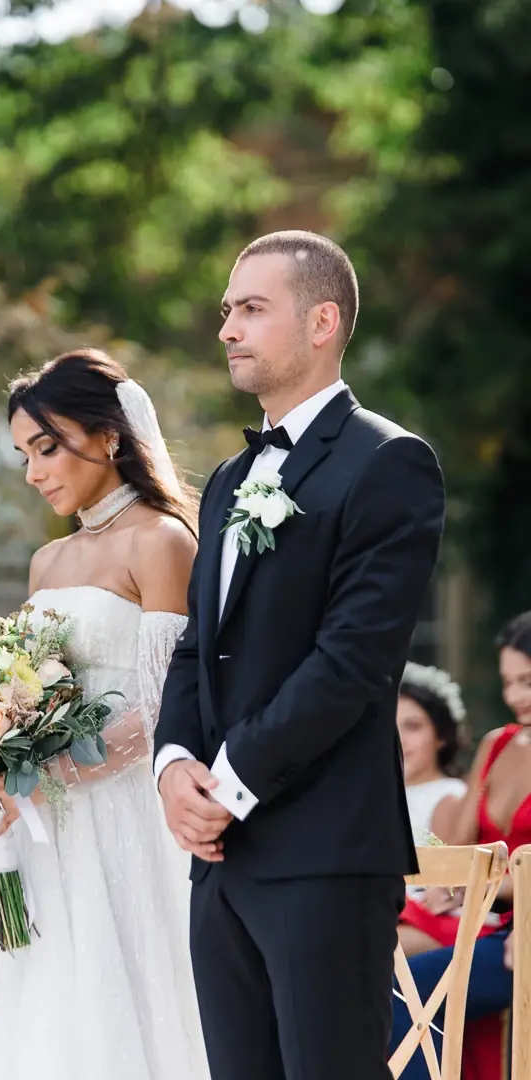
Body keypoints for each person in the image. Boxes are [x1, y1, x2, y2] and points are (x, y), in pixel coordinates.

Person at [154, 230, 446, 1080]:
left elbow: (353, 662)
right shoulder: (225, 479)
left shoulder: (389, 462)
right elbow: (194, 648)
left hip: (325, 855)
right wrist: (175, 765)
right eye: (225, 311)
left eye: (250, 308)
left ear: (322, 320)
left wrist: (229, 782)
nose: (227, 330)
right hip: (221, 865)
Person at [0, 349, 211, 1080]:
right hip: (44, 831)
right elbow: (15, 717)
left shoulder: (163, 541)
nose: (34, 471)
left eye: (47, 446)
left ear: (110, 436)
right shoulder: (46, 563)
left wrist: (47, 773)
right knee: (53, 1010)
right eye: (25, 454)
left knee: (127, 1002)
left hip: (127, 818)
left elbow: (166, 708)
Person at [390, 612, 531, 1079]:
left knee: (402, 990)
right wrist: (446, 878)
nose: (514, 696)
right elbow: (454, 847)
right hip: (480, 912)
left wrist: (483, 883)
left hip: (514, 922)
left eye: (526, 681)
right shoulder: (498, 745)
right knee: (367, 959)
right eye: (508, 682)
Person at [397, 662, 467, 848]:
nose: (398, 739)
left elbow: (446, 873)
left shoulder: (450, 799)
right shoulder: (374, 794)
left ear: (441, 736)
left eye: (412, 727)